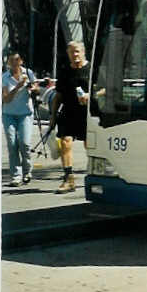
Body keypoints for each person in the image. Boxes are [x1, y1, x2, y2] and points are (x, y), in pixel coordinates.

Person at [50, 41, 91, 193]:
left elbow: (105, 89)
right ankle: (68, 179)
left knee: (90, 144)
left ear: (83, 51)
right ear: (68, 54)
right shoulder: (64, 71)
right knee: (65, 143)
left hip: (87, 113)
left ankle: (96, 172)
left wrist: (89, 95)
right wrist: (53, 116)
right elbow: (58, 96)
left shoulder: (91, 68)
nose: (75, 55)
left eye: (77, 51)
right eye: (72, 52)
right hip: (68, 112)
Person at [1, 53, 40, 187]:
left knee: (24, 143)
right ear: (8, 63)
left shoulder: (28, 73)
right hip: (9, 114)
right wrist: (18, 86)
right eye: (12, 61)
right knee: (12, 144)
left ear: (21, 61)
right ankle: (16, 176)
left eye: (17, 60)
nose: (15, 63)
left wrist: (34, 88)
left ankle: (27, 171)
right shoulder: (4, 77)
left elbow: (36, 89)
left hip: (25, 114)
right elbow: (6, 99)